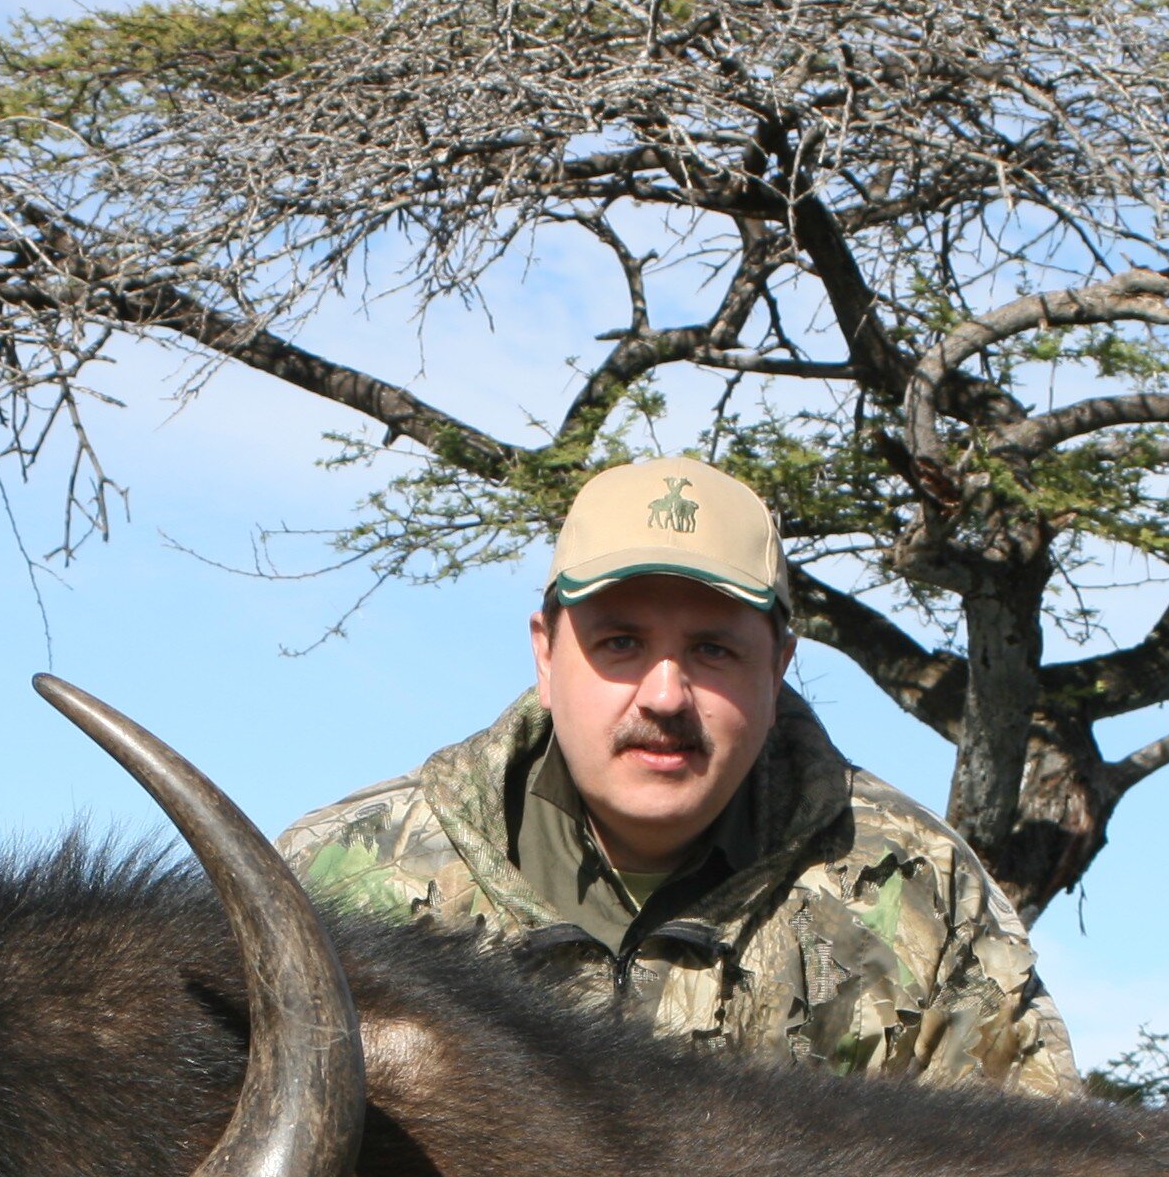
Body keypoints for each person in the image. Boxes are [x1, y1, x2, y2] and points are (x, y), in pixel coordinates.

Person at [282, 456, 1078, 1093]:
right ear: (545, 654)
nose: (665, 696)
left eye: (713, 650)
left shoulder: (925, 895)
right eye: (620, 643)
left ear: (778, 668)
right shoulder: (337, 882)